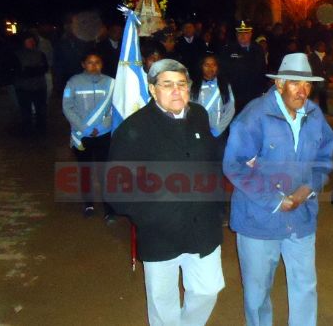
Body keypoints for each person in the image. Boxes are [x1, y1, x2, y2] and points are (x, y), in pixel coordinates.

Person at [109, 59, 224, 325]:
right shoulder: (132, 129)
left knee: (208, 289)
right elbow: (117, 189)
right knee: (163, 304)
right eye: (167, 85)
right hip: (160, 232)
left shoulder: (199, 115)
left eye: (182, 85)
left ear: (190, 88)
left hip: (203, 227)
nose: (176, 91)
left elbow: (210, 161)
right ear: (152, 89)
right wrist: (151, 215)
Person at [223, 53, 333, 326]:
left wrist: (307, 189)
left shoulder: (314, 114)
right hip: (260, 219)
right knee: (258, 292)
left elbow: (324, 160)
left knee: (305, 285)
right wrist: (276, 199)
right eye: (296, 83)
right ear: (280, 83)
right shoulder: (255, 116)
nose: (303, 90)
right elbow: (234, 165)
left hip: (301, 216)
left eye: (307, 84)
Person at [62, 50, 116, 221]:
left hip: (103, 134)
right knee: (85, 170)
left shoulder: (110, 83)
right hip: (82, 135)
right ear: (83, 64)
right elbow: (67, 107)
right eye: (90, 62)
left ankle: (109, 207)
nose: (94, 66)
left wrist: (102, 126)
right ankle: (88, 203)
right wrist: (84, 128)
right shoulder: (73, 83)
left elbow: (115, 108)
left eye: (98, 62)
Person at [219, 21, 267, 113]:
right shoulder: (228, 50)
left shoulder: (258, 49)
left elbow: (262, 71)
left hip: (254, 93)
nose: (243, 36)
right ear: (236, 35)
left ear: (251, 34)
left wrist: (262, 90)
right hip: (235, 93)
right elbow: (223, 72)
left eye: (246, 33)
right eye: (240, 33)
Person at [190, 55, 235, 140]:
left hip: (218, 132)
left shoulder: (225, 86)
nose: (210, 68)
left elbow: (230, 109)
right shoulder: (192, 86)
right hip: (198, 131)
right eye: (206, 65)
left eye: (213, 65)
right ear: (201, 67)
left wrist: (217, 130)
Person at [14, 32, 50, 135]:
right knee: (26, 111)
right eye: (28, 41)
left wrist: (32, 70)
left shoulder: (40, 54)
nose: (31, 43)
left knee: (41, 110)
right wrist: (33, 70)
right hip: (24, 88)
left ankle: (41, 129)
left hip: (39, 87)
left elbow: (44, 68)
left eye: (32, 41)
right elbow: (19, 72)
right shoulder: (18, 55)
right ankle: (27, 129)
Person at [307, 41, 330, 114]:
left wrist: (327, 74)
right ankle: (308, 109)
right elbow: (310, 67)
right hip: (314, 78)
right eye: (321, 46)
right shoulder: (312, 56)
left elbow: (329, 67)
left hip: (323, 79)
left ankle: (323, 111)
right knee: (312, 95)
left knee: (323, 95)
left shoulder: (326, 56)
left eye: (323, 46)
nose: (322, 48)